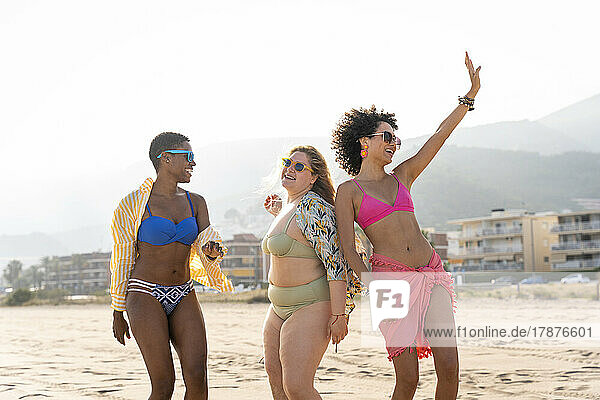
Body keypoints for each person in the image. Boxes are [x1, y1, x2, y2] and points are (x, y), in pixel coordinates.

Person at [332, 52, 481, 399]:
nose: (393, 144)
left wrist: (470, 95)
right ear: (364, 143)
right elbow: (347, 248)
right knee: (407, 380)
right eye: (386, 137)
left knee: (449, 369)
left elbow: (439, 137)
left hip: (432, 273)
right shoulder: (349, 191)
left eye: (395, 139)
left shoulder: (403, 175)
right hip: (390, 282)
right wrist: (372, 285)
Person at [110, 132, 234, 400]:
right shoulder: (133, 204)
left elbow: (207, 241)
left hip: (183, 291)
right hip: (144, 293)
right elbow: (121, 257)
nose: (194, 163)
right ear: (166, 159)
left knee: (198, 379)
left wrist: (212, 252)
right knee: (164, 384)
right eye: (188, 156)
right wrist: (118, 310)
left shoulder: (196, 202)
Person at [262, 145, 363, 400]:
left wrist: (339, 315)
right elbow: (296, 239)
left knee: (297, 387)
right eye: (287, 162)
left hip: (309, 305)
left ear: (314, 177)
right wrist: (278, 210)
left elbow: (336, 264)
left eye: (299, 166)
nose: (289, 168)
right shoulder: (290, 206)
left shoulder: (313, 207)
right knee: (277, 382)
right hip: (277, 308)